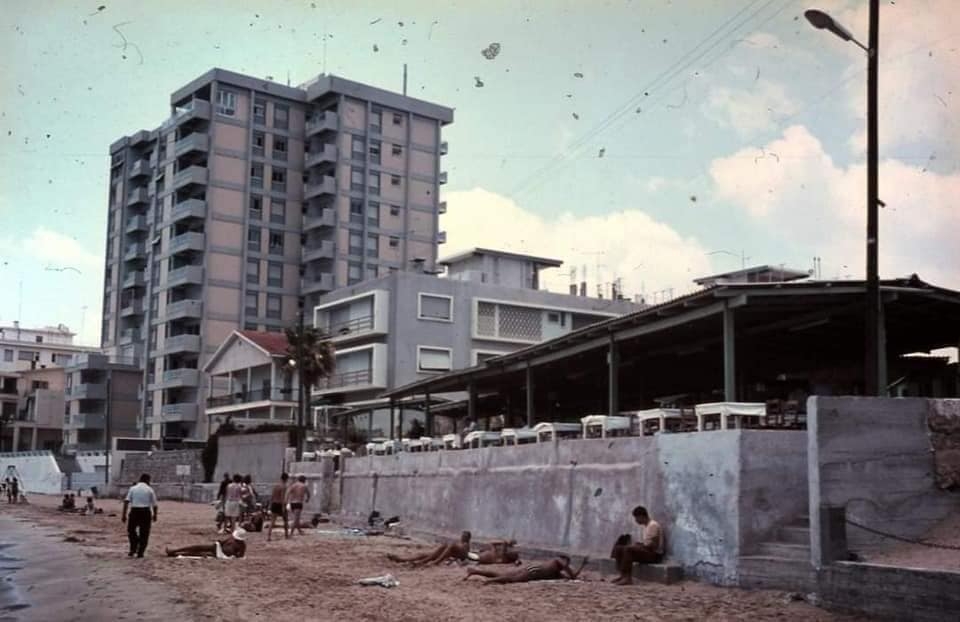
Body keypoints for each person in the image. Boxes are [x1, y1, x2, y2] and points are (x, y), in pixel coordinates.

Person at [610, 505, 665, 585]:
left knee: (628, 549)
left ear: (642, 516)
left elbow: (653, 546)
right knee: (619, 548)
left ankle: (628, 578)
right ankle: (623, 575)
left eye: (636, 518)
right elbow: (647, 543)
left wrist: (639, 547)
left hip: (655, 555)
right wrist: (639, 545)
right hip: (648, 551)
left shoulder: (653, 525)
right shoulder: (646, 526)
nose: (636, 520)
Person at [464, 555, 588, 584]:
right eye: (568, 562)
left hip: (533, 570)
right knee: (511, 579)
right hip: (533, 570)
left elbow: (572, 577)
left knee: (505, 575)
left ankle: (475, 571)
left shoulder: (557, 572)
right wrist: (572, 570)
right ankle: (490, 581)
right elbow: (570, 573)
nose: (568, 564)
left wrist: (582, 565)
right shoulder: (558, 561)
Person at [122, 473, 158, 558]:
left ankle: (133, 548)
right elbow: (155, 505)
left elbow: (126, 501)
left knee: (131, 531)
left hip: (134, 511)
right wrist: (155, 515)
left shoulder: (133, 489)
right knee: (144, 532)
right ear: (147, 480)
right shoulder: (150, 490)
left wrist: (124, 514)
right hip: (145, 512)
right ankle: (141, 552)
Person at [388, 531, 472, 567]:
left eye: (464, 536)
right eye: (462, 535)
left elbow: (462, 556)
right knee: (423, 555)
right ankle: (402, 559)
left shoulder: (466, 545)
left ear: (468, 538)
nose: (462, 537)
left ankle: (431, 562)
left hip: (447, 556)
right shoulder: (461, 544)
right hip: (444, 555)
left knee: (448, 546)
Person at [165, 527, 247, 559]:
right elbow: (222, 542)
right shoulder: (232, 539)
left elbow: (240, 556)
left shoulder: (241, 545)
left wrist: (233, 555)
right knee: (197, 548)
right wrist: (218, 542)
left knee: (198, 553)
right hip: (218, 549)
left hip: (220, 554)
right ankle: (174, 551)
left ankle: (175, 553)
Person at [266, 473, 289, 542]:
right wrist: (283, 507)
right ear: (286, 479)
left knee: (272, 521)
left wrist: (270, 505)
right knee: (285, 520)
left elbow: (272, 496)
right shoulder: (284, 486)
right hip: (280, 504)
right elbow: (282, 497)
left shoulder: (276, 486)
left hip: (274, 503)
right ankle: (286, 535)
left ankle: (269, 536)